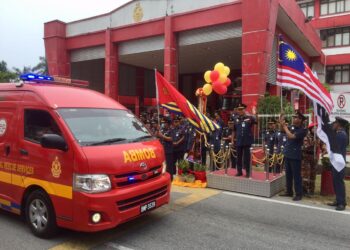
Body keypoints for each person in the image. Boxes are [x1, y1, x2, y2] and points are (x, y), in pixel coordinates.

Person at [279, 111, 307, 201]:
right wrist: (281, 122)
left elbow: (291, 136)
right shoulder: (291, 127)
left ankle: (298, 194)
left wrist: (284, 126)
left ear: (301, 120)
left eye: (296, 117)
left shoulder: (303, 130)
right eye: (294, 117)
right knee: (288, 174)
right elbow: (283, 130)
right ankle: (289, 191)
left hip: (295, 155)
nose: (294, 119)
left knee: (296, 175)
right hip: (288, 154)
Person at [327, 117, 348, 211]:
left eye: (334, 123)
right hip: (337, 162)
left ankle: (342, 203)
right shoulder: (339, 134)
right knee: (336, 182)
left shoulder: (341, 135)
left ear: (338, 124)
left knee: (339, 182)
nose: (333, 125)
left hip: (339, 163)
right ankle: (338, 200)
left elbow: (335, 148)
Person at [233, 103, 256, 178]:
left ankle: (248, 172)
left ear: (244, 110)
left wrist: (255, 113)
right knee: (238, 157)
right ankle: (239, 171)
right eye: (239, 109)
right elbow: (233, 130)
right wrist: (232, 140)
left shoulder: (249, 118)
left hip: (247, 141)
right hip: (239, 140)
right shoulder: (236, 119)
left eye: (241, 109)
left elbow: (256, 121)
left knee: (247, 158)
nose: (240, 111)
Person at [301, 123, 318, 196]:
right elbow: (304, 147)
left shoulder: (318, 137)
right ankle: (304, 190)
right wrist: (312, 144)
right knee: (306, 174)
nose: (315, 130)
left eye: (316, 128)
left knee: (313, 175)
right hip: (306, 157)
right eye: (314, 128)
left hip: (314, 158)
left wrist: (324, 149)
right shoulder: (306, 137)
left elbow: (322, 144)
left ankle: (311, 191)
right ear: (310, 129)